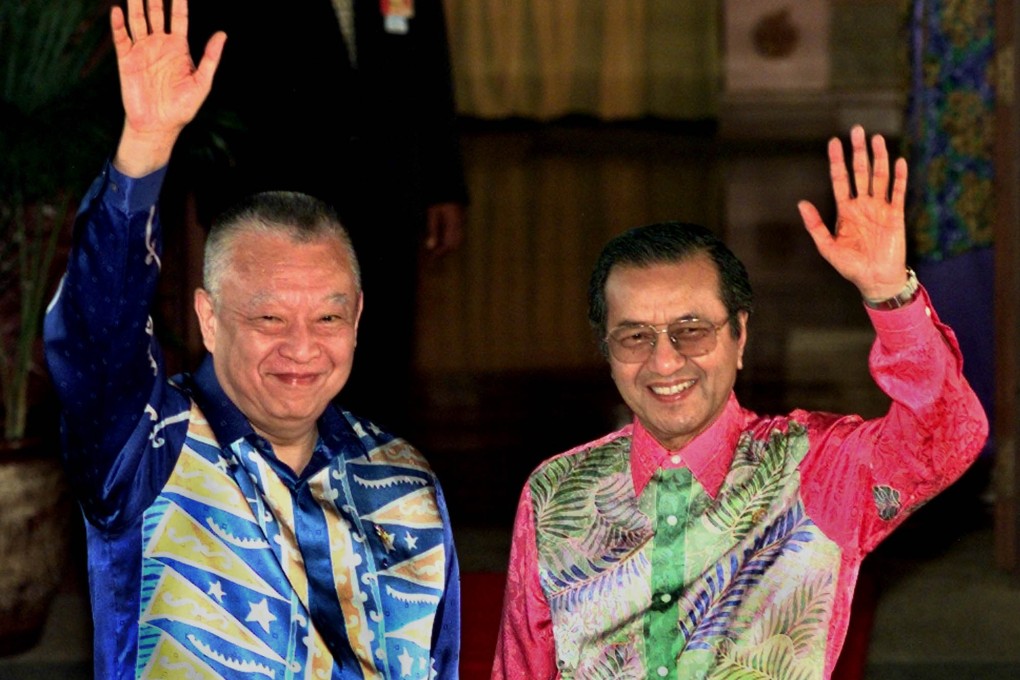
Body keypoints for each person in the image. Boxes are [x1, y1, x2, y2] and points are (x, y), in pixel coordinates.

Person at [43, 1, 459, 678]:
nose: (301, 346)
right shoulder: (148, 451)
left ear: (356, 319)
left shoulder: (405, 485)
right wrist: (145, 148)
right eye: (268, 318)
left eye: (326, 318)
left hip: (381, 196)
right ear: (209, 319)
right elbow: (94, 339)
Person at [491, 125, 988, 679]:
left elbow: (947, 437)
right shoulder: (556, 492)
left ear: (740, 336)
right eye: (635, 337)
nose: (664, 362)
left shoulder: (816, 471)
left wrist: (889, 294)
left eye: (692, 330)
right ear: (605, 349)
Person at [177, 0, 470, 433]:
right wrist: (219, 199)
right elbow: (211, 74)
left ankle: (370, 466)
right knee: (278, 354)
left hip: (386, 193)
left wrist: (444, 186)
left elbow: (429, 70)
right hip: (277, 200)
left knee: (380, 340)